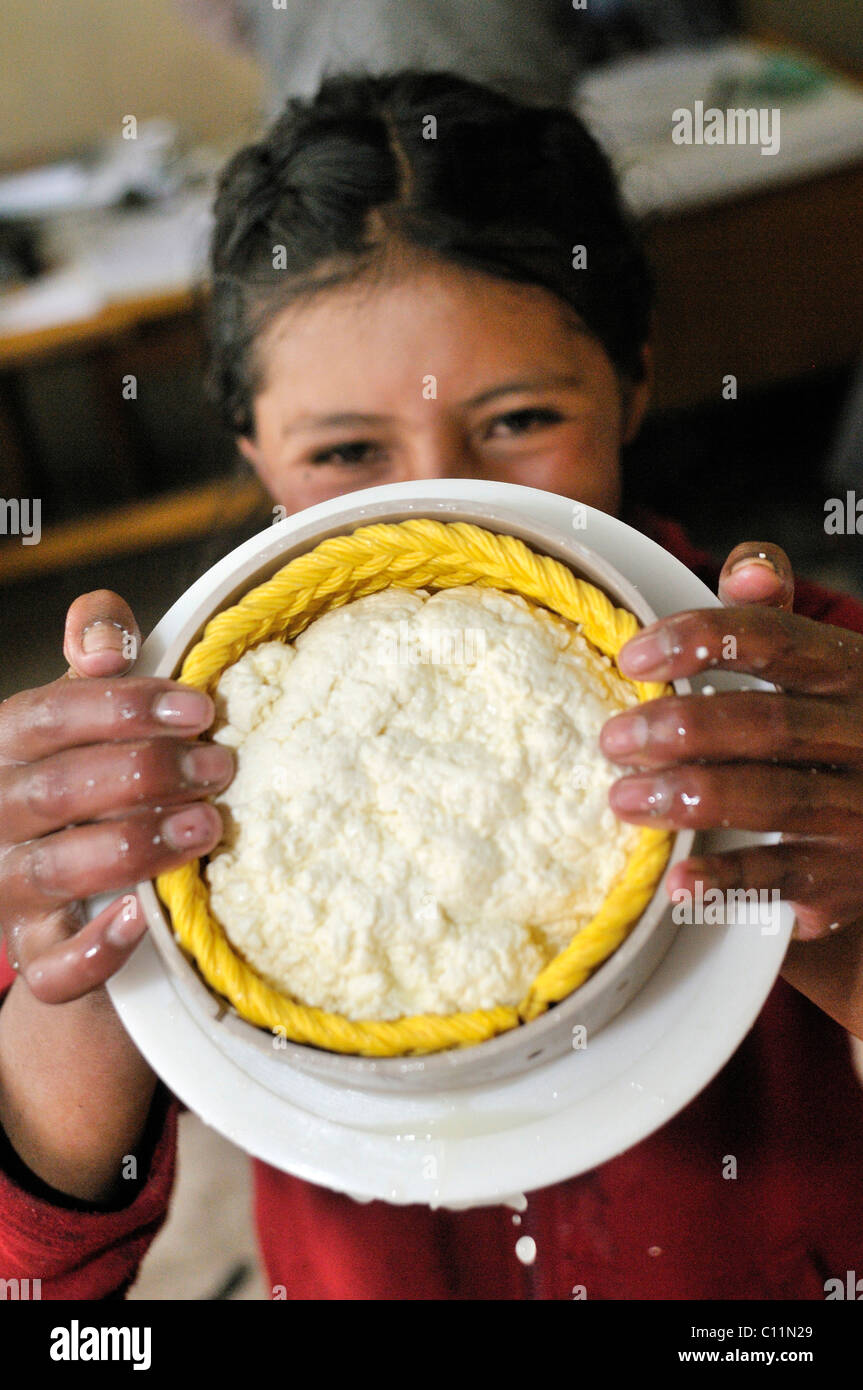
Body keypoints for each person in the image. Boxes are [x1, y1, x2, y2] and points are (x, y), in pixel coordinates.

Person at [2, 70, 863, 1300]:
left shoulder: (802, 692)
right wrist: (97, 983)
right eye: (348, 450)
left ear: (631, 380)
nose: (439, 493)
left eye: (515, 419)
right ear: (252, 447)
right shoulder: (151, 759)